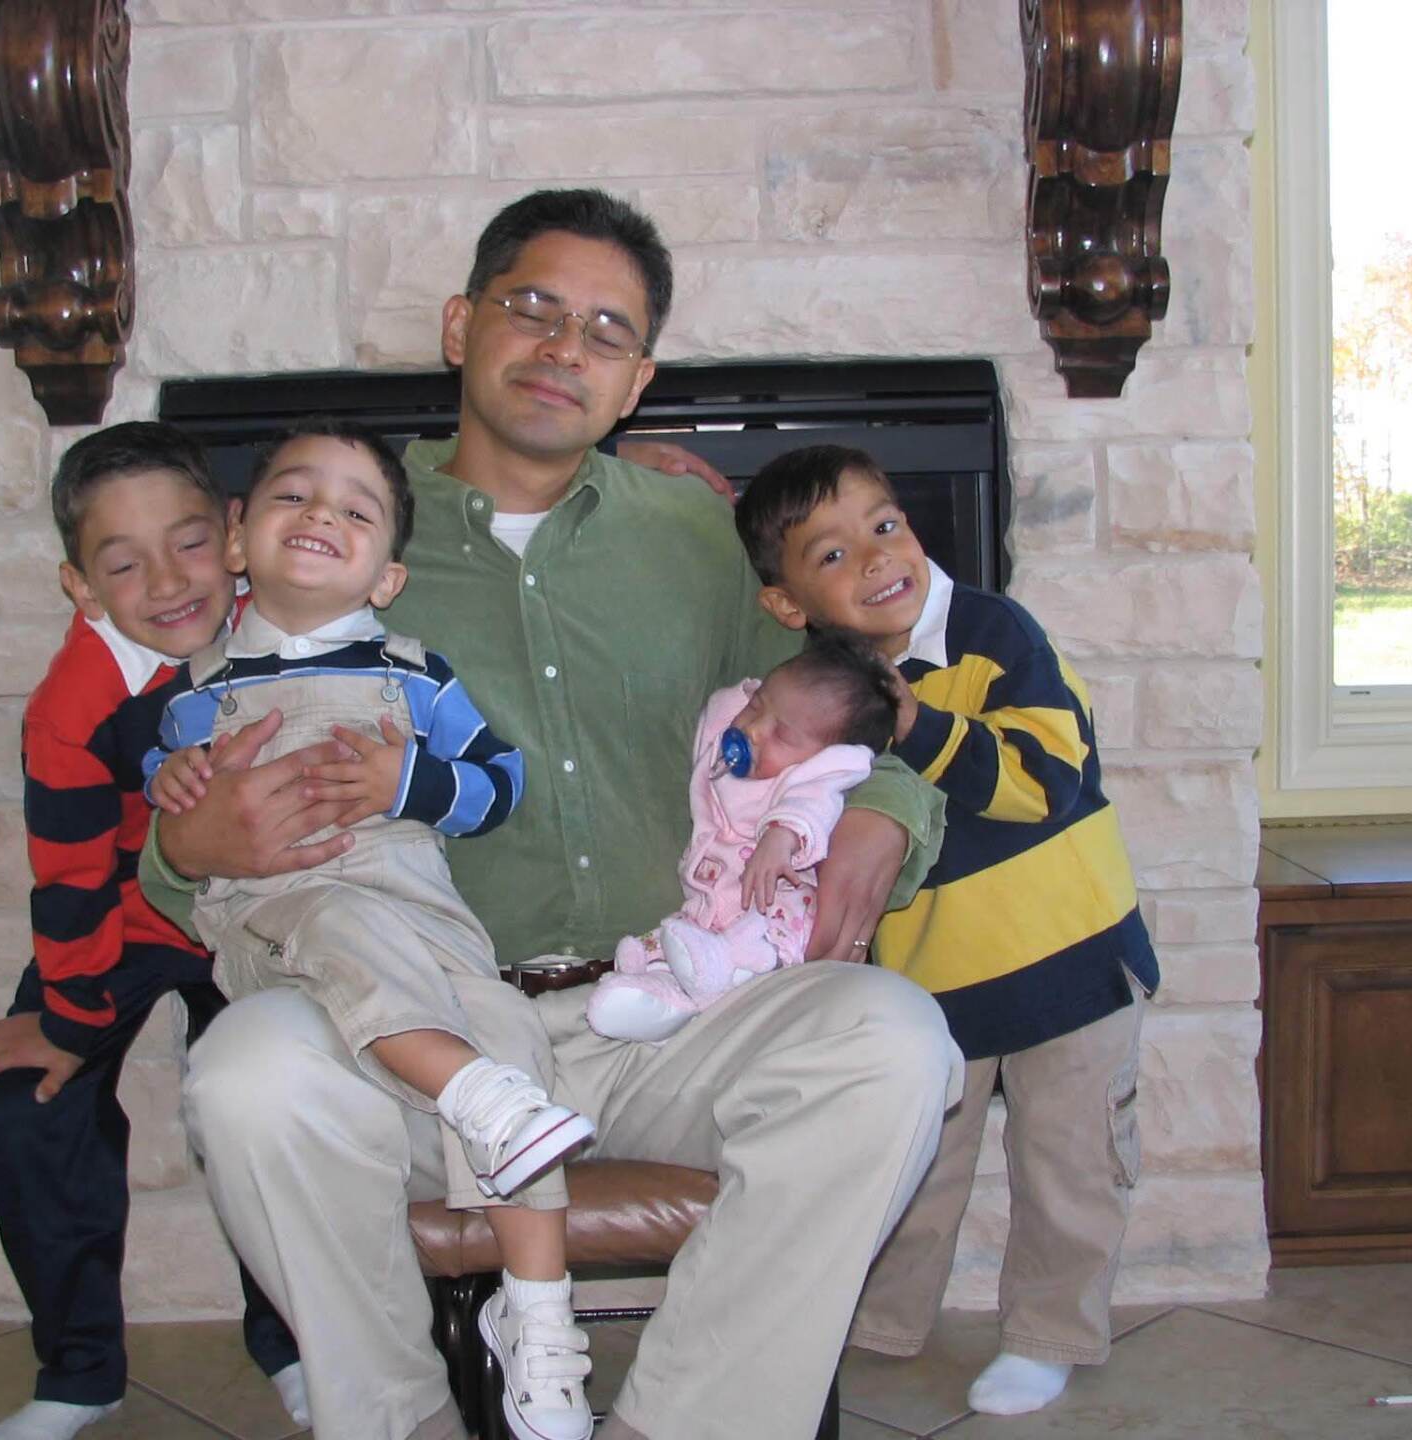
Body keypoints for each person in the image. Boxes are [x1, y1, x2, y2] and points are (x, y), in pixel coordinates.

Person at [139, 188, 961, 1440]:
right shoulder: (341, 525)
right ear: (461, 325)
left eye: (606, 330)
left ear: (637, 382)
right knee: (248, 1072)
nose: (565, 346)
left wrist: (885, 812)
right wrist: (184, 846)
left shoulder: (695, 534)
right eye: (533, 307)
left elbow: (852, 699)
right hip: (425, 1036)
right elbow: (192, 815)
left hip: (666, 1011)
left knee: (895, 1042)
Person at [147, 422, 597, 1439]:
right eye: (293, 495)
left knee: (510, 1042)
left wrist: (410, 781)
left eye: (355, 510)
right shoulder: (197, 693)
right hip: (285, 908)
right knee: (343, 923)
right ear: (237, 538)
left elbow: (500, 782)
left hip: (422, 914)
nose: (321, 515)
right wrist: (173, 785)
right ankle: (464, 1091)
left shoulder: (417, 675)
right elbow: (167, 795)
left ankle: (537, 1318)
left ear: (387, 576)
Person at [733, 442, 1161, 1417]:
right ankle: (883, 1321)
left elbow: (1046, 780)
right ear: (788, 604)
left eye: (885, 526)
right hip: (934, 983)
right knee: (911, 1161)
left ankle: (1050, 1333)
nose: (876, 557)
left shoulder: (994, 632)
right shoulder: (815, 689)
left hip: (1070, 959)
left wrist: (916, 724)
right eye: (832, 554)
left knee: (1070, 1164)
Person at [0, 423, 305, 1440]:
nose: (167, 581)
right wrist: (71, 1021)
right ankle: (79, 1371)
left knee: (276, 1097)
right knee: (25, 1106)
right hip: (125, 908)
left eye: (189, 542)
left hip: (256, 905)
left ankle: (293, 1337)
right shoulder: (68, 707)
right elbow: (71, 880)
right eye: (123, 564)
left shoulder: (287, 620)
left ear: (234, 534)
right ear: (81, 587)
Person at [587, 634, 899, 1042]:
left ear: (826, 755)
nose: (753, 729)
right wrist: (749, 704)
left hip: (773, 903)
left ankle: (732, 974)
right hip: (715, 904)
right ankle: (659, 999)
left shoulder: (810, 777)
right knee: (681, 941)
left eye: (782, 735)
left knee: (765, 934)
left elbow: (812, 805)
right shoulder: (726, 748)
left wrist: (782, 836)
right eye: (755, 706)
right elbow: (728, 709)